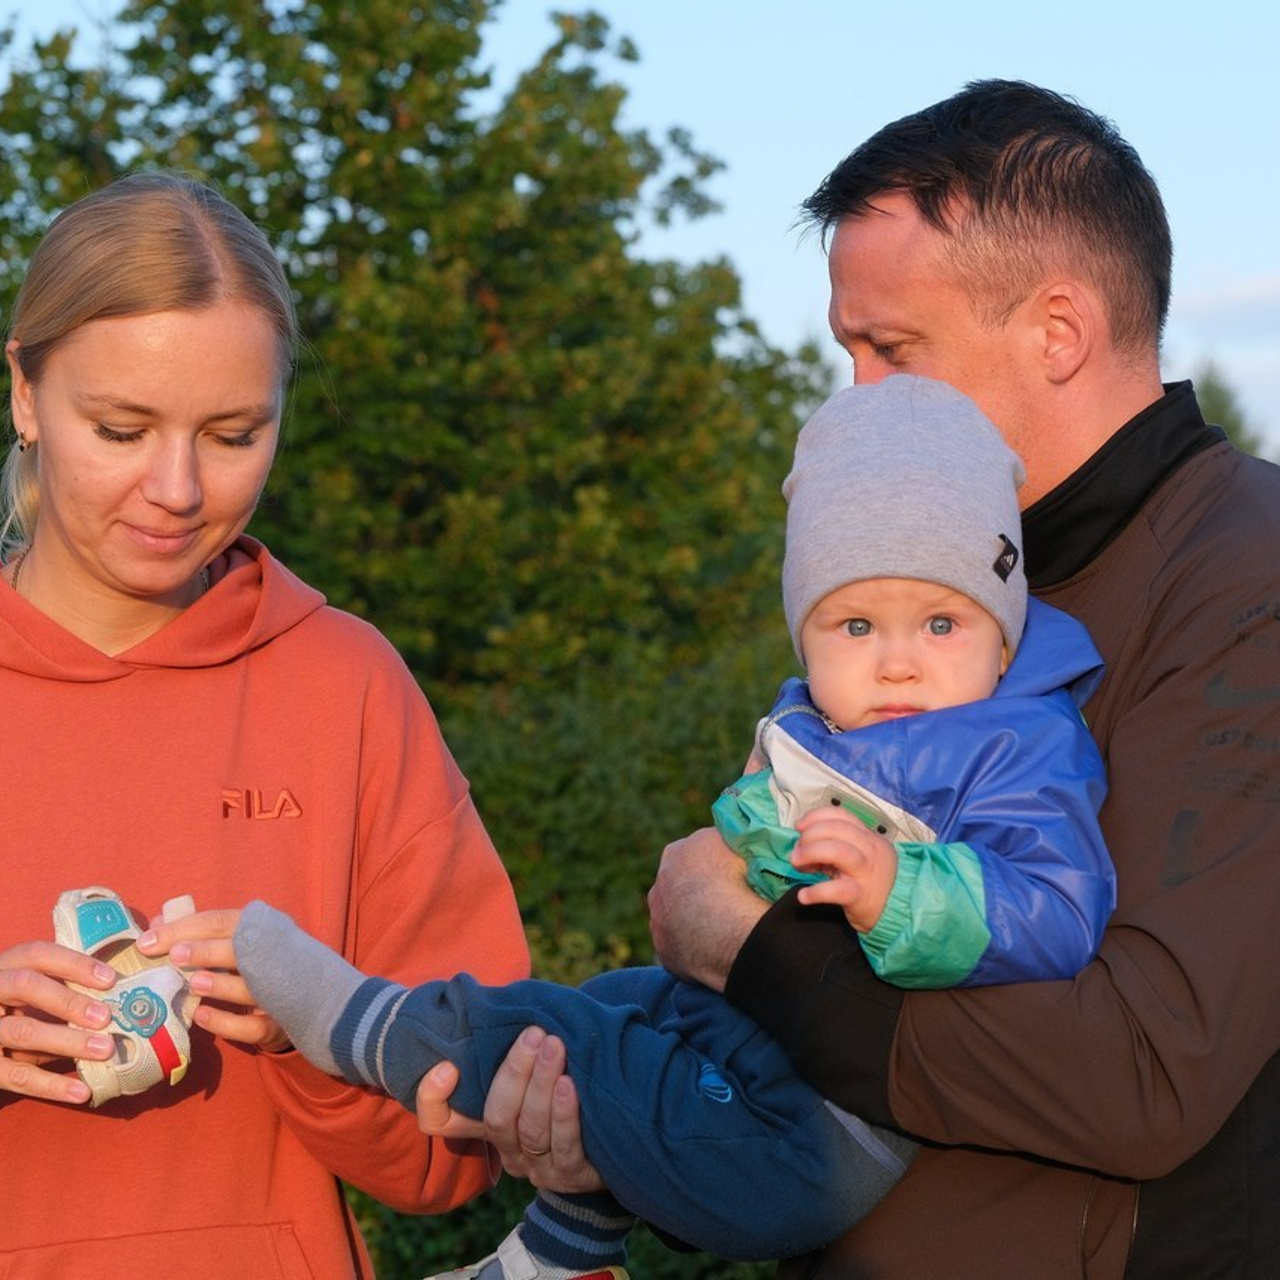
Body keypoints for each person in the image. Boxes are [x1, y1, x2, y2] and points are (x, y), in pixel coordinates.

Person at [232, 374, 1115, 1279]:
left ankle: (373, 1027)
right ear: (804, 637)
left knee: (601, 1053)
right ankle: (562, 1255)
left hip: (838, 1132)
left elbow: (1056, 906)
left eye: (940, 623)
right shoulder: (820, 728)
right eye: (854, 625)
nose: (896, 665)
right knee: (614, 1004)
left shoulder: (1017, 745)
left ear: (1002, 636)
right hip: (771, 1036)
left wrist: (900, 894)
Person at [631, 80, 1280, 1276]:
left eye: (891, 351)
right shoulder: (934, 581)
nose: (857, 399)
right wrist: (623, 1118)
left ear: (1055, 330)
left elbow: (1143, 1070)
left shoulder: (1248, 579)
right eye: (847, 352)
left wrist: (750, 948)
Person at [0, 170, 529, 1277]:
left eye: (234, 433)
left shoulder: (344, 685)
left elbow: (455, 1149)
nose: (178, 487)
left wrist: (313, 1024)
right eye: (123, 426)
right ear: (23, 394)